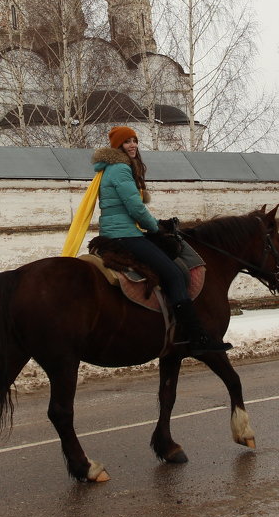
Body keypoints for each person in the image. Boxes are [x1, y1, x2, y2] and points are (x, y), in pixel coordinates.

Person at [91, 126, 231, 355]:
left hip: (118, 231)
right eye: (127, 142)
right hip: (124, 235)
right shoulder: (120, 169)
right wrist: (156, 227)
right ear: (118, 146)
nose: (133, 145)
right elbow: (135, 208)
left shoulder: (112, 168)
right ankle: (196, 337)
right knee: (174, 273)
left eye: (135, 140)